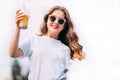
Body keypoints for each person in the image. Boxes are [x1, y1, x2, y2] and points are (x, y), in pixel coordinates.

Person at [9, 5, 85, 80]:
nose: (56, 22)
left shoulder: (65, 49)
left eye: (61, 21)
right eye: (52, 18)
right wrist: (17, 29)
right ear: (47, 20)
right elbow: (13, 54)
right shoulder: (33, 40)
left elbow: (63, 75)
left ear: (64, 26)